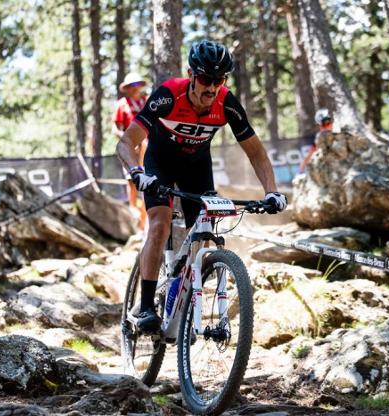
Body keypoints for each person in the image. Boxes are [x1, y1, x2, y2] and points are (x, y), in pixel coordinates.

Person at [116, 40, 287, 332]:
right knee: (160, 224)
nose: (212, 87)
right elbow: (126, 142)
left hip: (197, 167)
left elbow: (256, 152)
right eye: (206, 79)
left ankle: (185, 293)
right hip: (160, 165)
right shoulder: (168, 95)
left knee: (205, 232)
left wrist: (271, 191)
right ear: (191, 74)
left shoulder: (226, 102)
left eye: (219, 80)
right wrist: (136, 171)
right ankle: (145, 305)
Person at [114, 73, 149, 229]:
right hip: (130, 146)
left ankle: (144, 220)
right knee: (131, 179)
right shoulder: (122, 104)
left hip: (146, 147)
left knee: (147, 181)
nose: (135, 88)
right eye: (131, 85)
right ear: (126, 89)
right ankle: (132, 208)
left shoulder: (146, 101)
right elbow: (115, 128)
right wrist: (127, 139)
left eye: (137, 85)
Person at [299, 108, 333, 173]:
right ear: (320, 126)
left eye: (329, 121)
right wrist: (300, 171)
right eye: (325, 123)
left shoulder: (339, 133)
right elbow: (308, 157)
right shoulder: (318, 140)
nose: (328, 125)